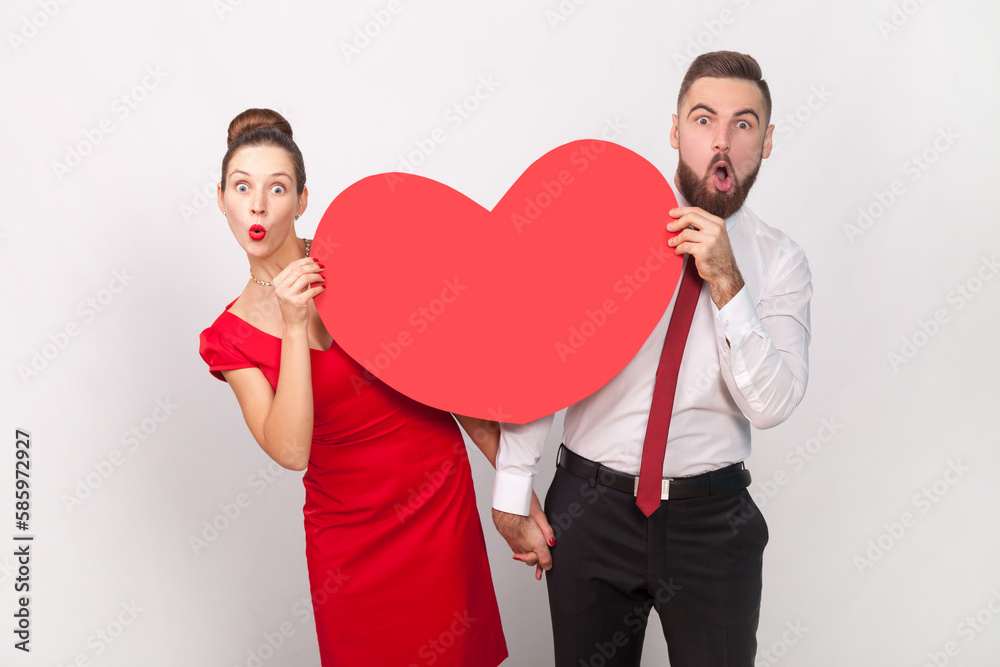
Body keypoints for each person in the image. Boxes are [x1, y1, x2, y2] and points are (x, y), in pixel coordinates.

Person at [490, 51, 813, 666]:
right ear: (674, 130)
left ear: (766, 142)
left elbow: (770, 406)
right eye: (703, 119)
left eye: (743, 124)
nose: (721, 141)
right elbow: (544, 356)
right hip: (589, 512)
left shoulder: (780, 262)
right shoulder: (599, 225)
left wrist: (727, 283)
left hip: (712, 524)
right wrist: (512, 487)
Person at [198, 108, 525, 666]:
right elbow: (290, 449)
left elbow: (449, 379)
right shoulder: (229, 337)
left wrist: (518, 497)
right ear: (221, 199)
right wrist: (295, 325)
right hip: (347, 537)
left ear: (302, 200)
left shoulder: (358, 256)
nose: (258, 205)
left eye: (277, 188)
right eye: (242, 187)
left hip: (434, 504)